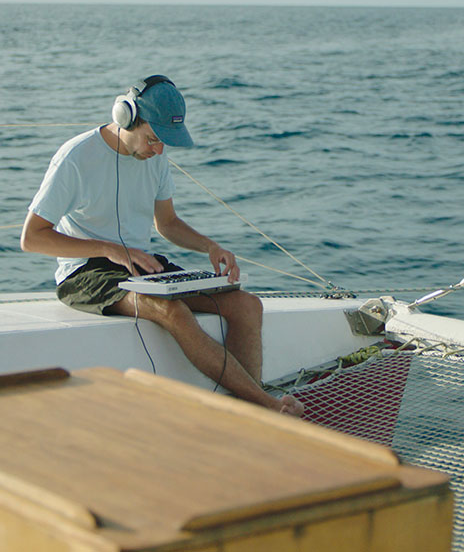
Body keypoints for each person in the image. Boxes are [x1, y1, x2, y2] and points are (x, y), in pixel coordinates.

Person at [20, 75, 304, 416]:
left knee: (246, 305)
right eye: (153, 139)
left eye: (163, 142)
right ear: (127, 117)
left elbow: (166, 223)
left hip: (141, 264)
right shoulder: (76, 158)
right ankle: (265, 407)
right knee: (172, 311)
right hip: (85, 271)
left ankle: (247, 406)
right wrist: (110, 250)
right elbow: (33, 237)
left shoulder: (155, 157)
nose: (158, 150)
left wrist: (209, 246)